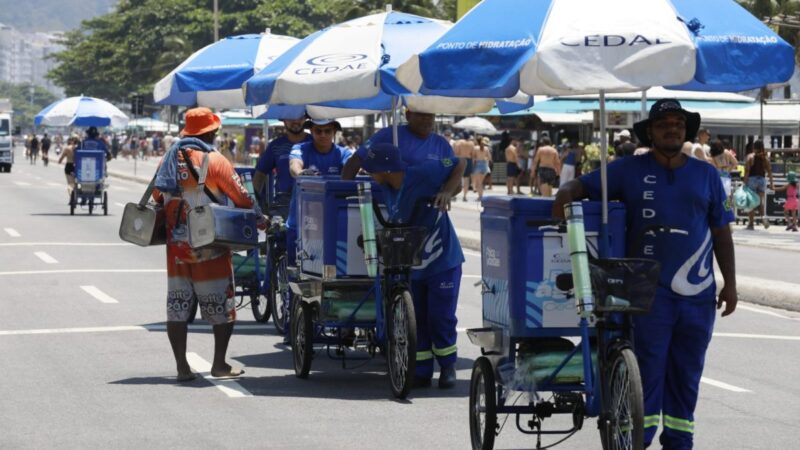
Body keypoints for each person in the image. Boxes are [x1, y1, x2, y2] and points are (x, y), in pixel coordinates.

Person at [553, 98, 737, 450]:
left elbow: (722, 232)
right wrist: (564, 192)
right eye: (664, 124)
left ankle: (679, 442)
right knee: (648, 371)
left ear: (686, 131)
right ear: (650, 132)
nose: (672, 129)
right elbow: (583, 186)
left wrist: (730, 283)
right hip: (647, 292)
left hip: (698, 295)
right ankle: (638, 441)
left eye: (678, 124)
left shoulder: (707, 175)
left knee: (687, 374)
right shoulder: (628, 169)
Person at [152, 107, 264, 382]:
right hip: (210, 245)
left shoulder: (168, 159)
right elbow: (242, 198)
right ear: (211, 132)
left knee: (177, 306)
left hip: (177, 249)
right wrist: (260, 217)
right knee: (221, 306)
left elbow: (156, 195)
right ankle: (219, 364)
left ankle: (182, 367)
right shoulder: (215, 160)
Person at [360, 143, 465, 389]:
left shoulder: (423, 173)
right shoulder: (385, 187)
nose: (368, 173)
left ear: (386, 170)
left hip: (442, 260)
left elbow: (460, 163)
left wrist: (447, 191)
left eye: (371, 169)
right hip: (413, 261)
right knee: (417, 319)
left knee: (441, 317)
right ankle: (421, 370)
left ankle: (447, 366)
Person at [286, 119, 353, 266]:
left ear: (334, 132)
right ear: (311, 131)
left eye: (327, 131)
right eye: (318, 131)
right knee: (295, 270)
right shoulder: (300, 148)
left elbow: (353, 166)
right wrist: (301, 173)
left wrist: (361, 170)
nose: (323, 135)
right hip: (300, 222)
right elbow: (294, 165)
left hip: (333, 224)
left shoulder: (344, 153)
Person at [342, 108, 455, 179]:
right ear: (408, 115)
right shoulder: (389, 134)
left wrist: (446, 192)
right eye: (421, 115)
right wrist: (344, 194)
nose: (426, 119)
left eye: (430, 115)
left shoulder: (442, 144)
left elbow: (454, 170)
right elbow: (355, 160)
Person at [253, 116, 311, 208]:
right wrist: (253, 202)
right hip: (283, 204)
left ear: (306, 119)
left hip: (311, 201)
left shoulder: (315, 143)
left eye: (300, 117)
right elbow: (260, 174)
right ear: (284, 120)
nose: (296, 121)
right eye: (291, 117)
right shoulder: (275, 146)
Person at [743, 140, 774, 230]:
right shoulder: (765, 158)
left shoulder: (750, 156)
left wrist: (744, 183)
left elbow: (747, 171)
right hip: (762, 180)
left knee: (751, 203)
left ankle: (751, 224)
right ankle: (763, 218)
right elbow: (769, 171)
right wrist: (772, 184)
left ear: (754, 147)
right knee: (760, 202)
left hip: (752, 180)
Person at [454, 135, 476, 201]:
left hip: (460, 159)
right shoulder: (471, 143)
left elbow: (456, 153)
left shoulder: (459, 142)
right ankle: (465, 196)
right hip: (468, 161)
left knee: (457, 178)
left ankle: (454, 195)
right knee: (466, 179)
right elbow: (473, 155)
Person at [57, 135, 79, 200]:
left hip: (69, 165)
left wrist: (59, 161)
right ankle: (75, 194)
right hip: (78, 166)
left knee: (70, 183)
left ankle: (71, 196)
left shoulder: (67, 148)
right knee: (76, 183)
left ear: (71, 141)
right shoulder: (80, 148)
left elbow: (62, 157)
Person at [472, 137, 492, 202]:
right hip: (485, 165)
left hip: (478, 165)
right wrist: (484, 159)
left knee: (479, 183)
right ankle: (480, 196)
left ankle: (480, 197)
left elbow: (473, 158)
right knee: (481, 182)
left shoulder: (475, 148)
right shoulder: (486, 148)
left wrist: (473, 165)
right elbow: (490, 158)